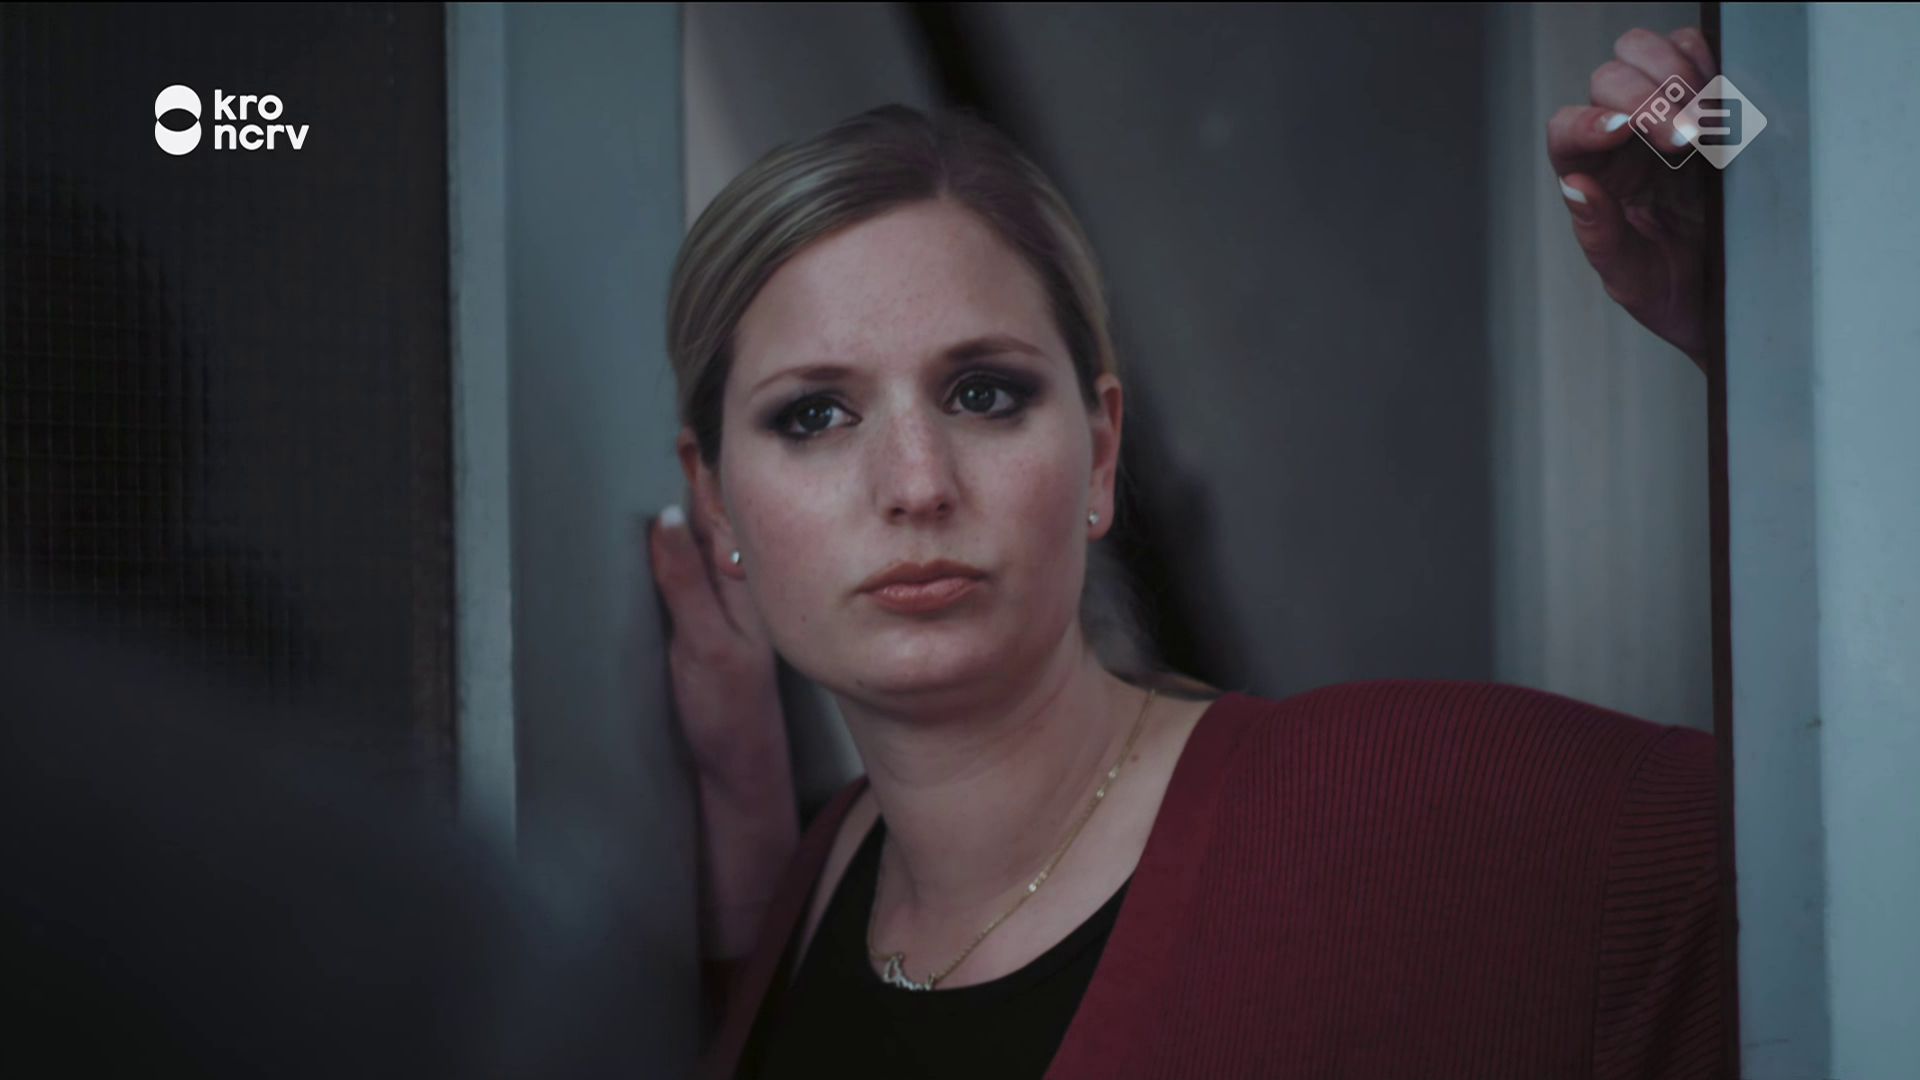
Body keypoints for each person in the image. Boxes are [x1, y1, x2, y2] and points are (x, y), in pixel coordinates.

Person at [650, 26, 1724, 1079]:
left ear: (1100, 453)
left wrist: (1765, 273)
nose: (918, 483)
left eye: (983, 395)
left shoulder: (1410, 809)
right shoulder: (809, 896)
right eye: (814, 416)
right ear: (715, 501)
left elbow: (1808, 841)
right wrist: (743, 812)